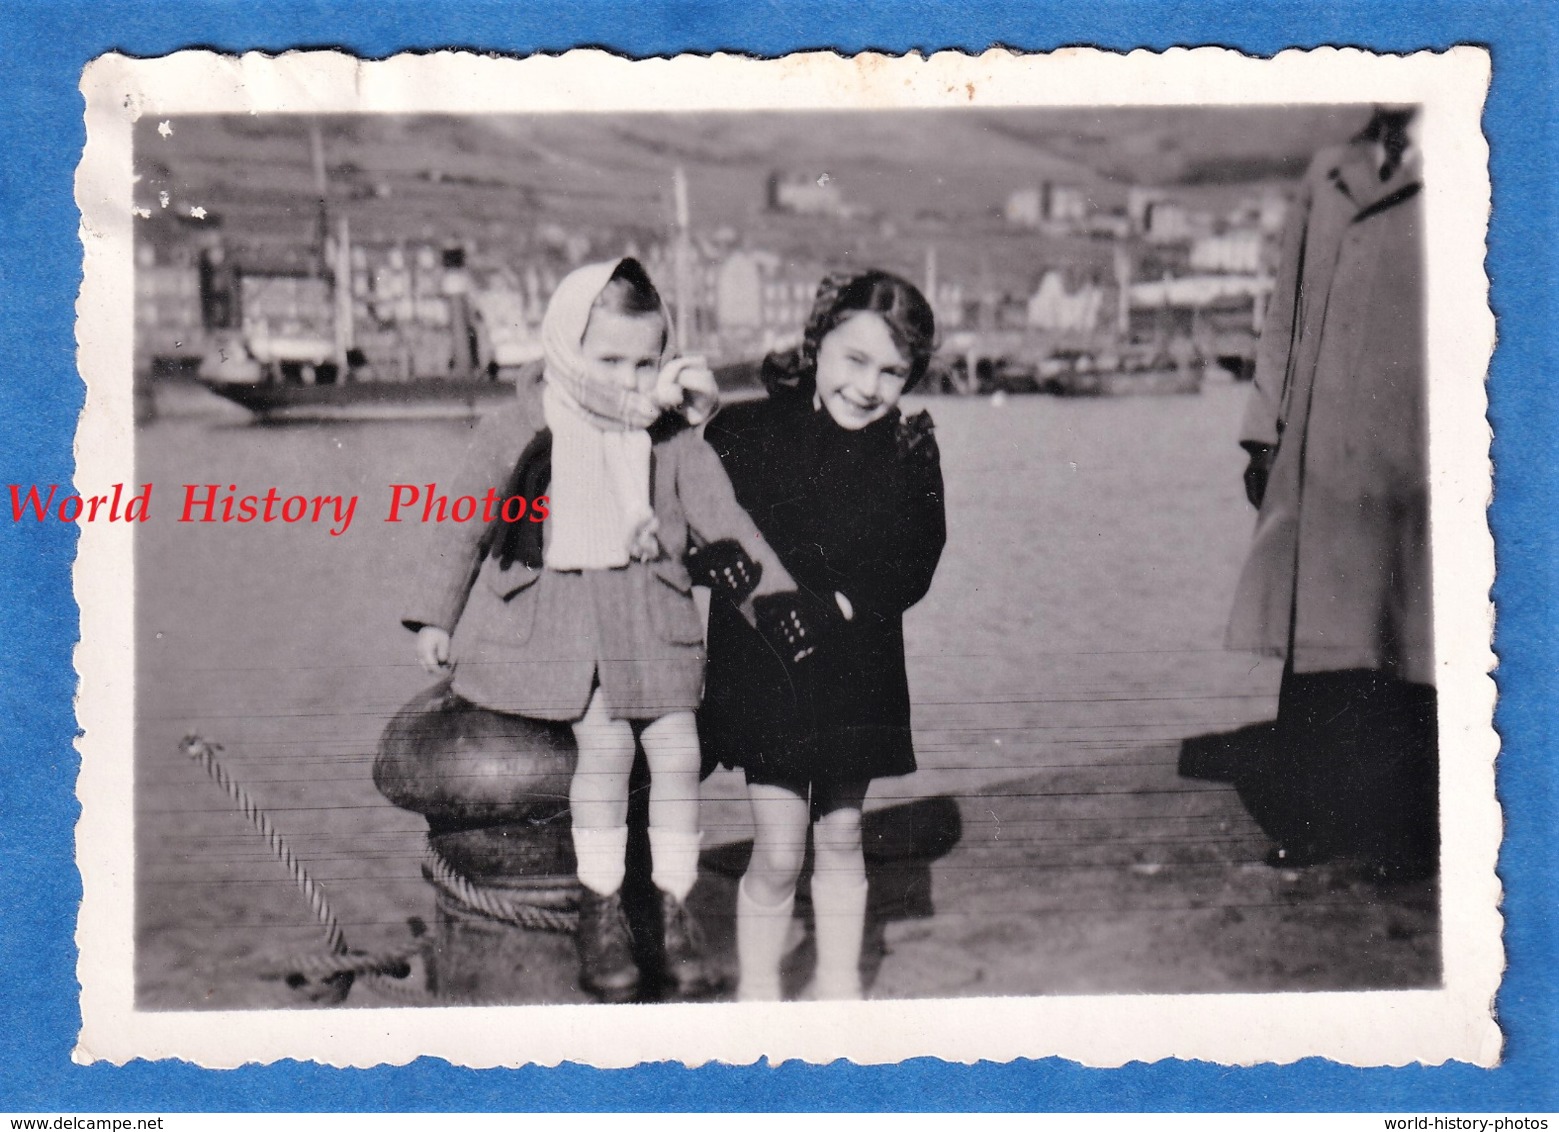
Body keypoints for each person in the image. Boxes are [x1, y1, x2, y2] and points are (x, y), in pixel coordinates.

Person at [404, 257, 819, 1002]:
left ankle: (669, 902)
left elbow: (726, 530)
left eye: (645, 361)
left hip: (648, 623)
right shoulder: (518, 427)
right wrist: (437, 616)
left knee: (678, 751)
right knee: (607, 747)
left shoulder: (671, 438)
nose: (630, 380)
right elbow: (465, 523)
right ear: (565, 347)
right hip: (558, 628)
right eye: (609, 360)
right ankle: (601, 908)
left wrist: (778, 608)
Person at [693, 270, 946, 999]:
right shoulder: (746, 431)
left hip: (857, 669)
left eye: (892, 371)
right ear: (816, 344)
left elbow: (915, 560)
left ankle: (839, 988)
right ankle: (760, 993)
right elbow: (699, 517)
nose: (868, 387)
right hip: (766, 671)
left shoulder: (909, 452)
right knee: (777, 848)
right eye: (853, 360)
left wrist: (841, 603)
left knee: (838, 833)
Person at [1226, 107, 1437, 881]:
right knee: (1316, 642)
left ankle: (1409, 834)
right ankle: (1310, 821)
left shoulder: (1475, 151)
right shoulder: (1328, 171)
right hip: (1320, 446)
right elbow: (1283, 313)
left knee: (1412, 641)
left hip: (1418, 454)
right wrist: (1262, 430)